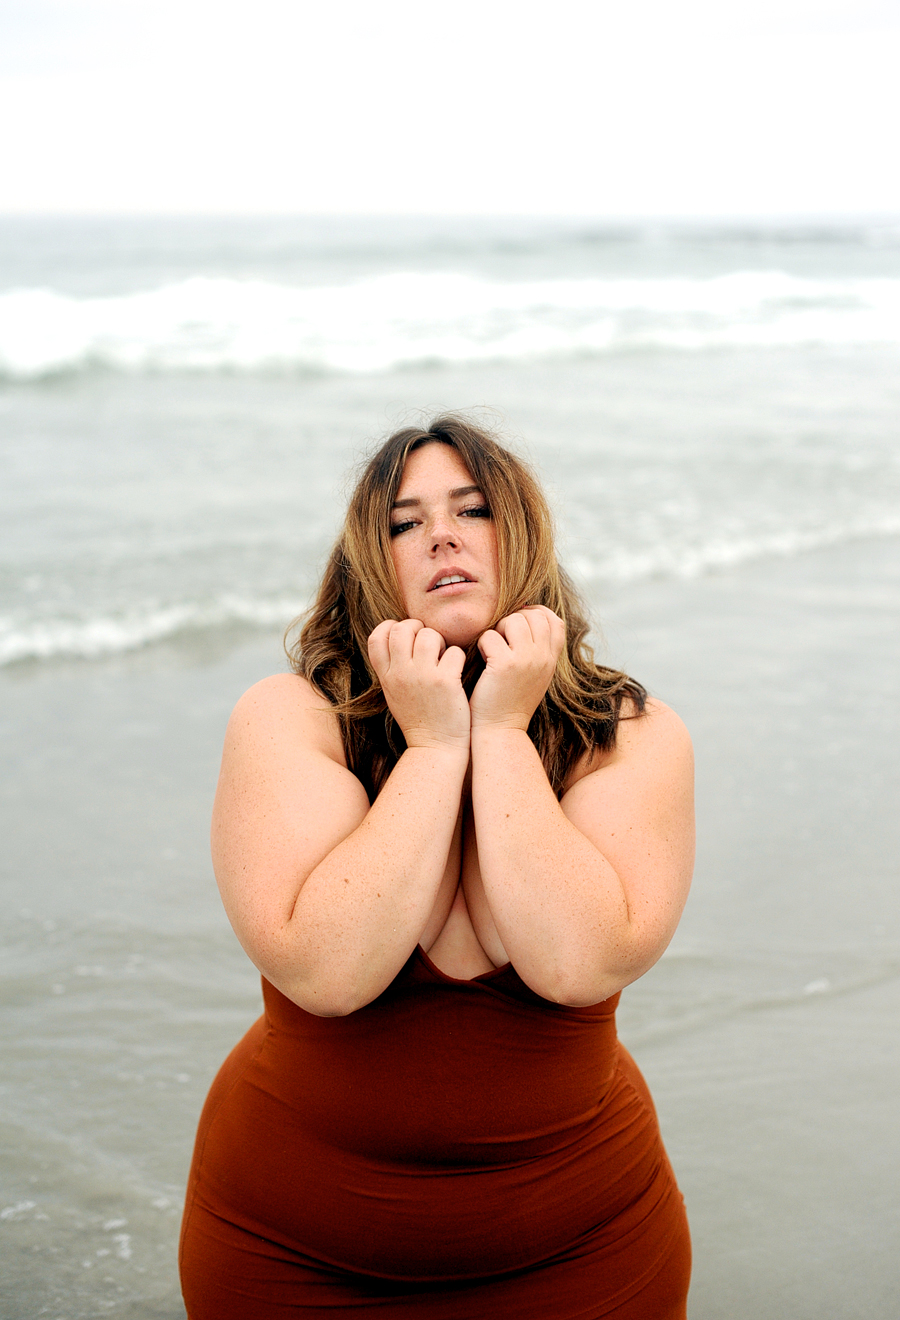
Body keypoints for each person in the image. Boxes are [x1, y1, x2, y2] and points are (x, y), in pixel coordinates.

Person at [179, 414, 695, 1319]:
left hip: (584, 1249)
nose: (442, 534)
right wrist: (431, 746)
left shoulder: (630, 732)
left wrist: (498, 731)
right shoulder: (292, 718)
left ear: (521, 534)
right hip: (294, 1256)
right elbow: (328, 971)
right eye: (404, 522)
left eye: (472, 509)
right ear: (371, 562)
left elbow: (577, 961)